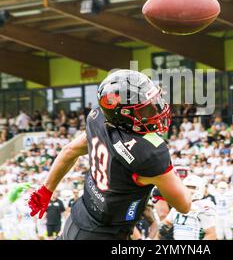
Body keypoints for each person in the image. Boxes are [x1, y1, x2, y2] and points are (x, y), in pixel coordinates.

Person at [28, 70, 191, 240]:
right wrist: (183, 183)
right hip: (105, 234)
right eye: (145, 110)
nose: (155, 111)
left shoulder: (99, 117)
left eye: (155, 102)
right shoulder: (149, 153)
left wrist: (46, 189)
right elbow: (184, 205)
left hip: (79, 216)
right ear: (124, 116)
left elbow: (70, 151)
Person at [158, 175, 216, 240]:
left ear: (200, 188)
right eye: (187, 187)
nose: (188, 190)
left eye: (192, 187)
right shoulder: (177, 206)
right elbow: (164, 227)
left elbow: (211, 235)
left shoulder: (204, 206)